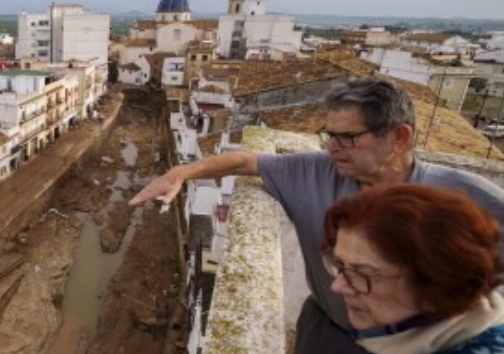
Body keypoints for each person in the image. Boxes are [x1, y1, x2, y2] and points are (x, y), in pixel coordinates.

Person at [128, 77, 504, 353]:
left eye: (347, 138)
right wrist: (178, 175)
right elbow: (244, 160)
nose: (332, 147)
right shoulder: (316, 171)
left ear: (398, 138)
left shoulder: (466, 198)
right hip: (329, 335)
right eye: (328, 135)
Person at [322, 184, 504, 353]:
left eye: (363, 273)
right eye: (339, 264)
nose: (337, 286)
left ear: (437, 285)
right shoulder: (394, 336)